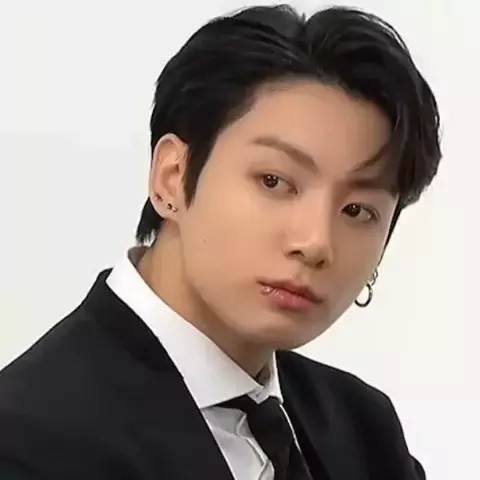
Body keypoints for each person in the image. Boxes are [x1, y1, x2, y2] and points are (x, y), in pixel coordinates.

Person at [0, 4, 441, 479]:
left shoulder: (365, 429)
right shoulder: (27, 441)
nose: (315, 243)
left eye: (357, 211)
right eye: (274, 181)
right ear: (172, 177)